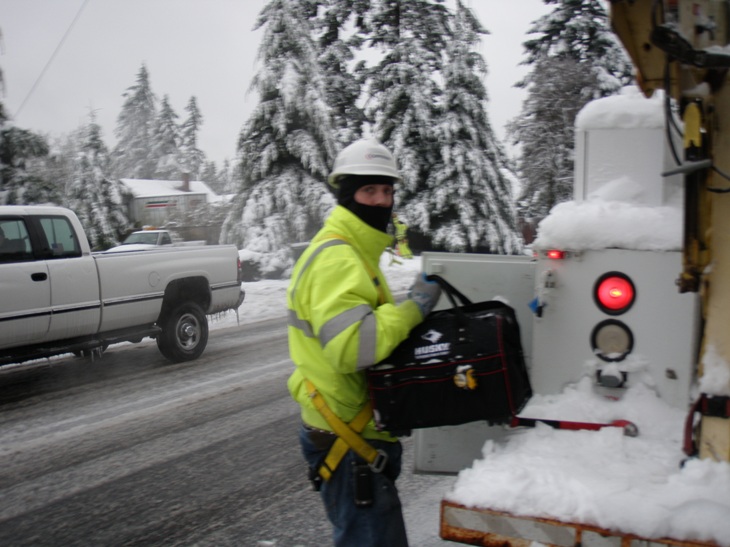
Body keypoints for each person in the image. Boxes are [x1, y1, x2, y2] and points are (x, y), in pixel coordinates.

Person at [286, 138, 442, 546]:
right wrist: (413, 310)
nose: (380, 201)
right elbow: (354, 347)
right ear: (347, 194)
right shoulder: (338, 257)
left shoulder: (354, 251)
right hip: (348, 440)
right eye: (368, 190)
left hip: (348, 433)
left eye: (387, 191)